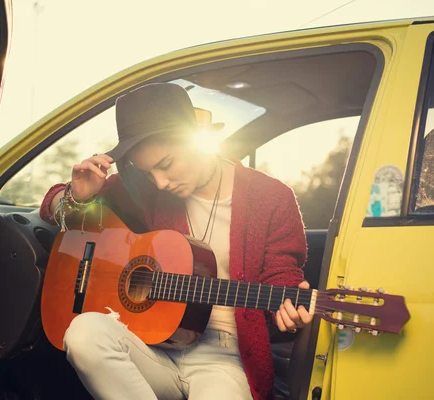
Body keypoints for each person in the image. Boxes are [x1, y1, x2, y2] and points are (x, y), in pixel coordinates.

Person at [39, 82, 313, 400]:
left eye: (166, 165)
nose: (160, 182)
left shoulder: (272, 197)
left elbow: (282, 279)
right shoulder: (143, 189)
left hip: (223, 360)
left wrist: (290, 313)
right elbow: (52, 208)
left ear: (195, 139)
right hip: (149, 346)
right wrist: (75, 198)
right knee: (83, 334)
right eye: (147, 171)